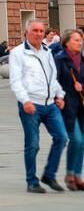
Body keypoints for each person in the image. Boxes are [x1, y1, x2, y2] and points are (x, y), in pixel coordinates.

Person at [10, 18, 68, 193]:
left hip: (50, 105)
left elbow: (52, 77)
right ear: (26, 32)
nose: (38, 34)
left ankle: (49, 175)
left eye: (41, 31)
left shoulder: (46, 51)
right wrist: (25, 100)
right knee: (33, 144)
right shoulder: (18, 53)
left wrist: (59, 95)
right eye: (34, 30)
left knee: (62, 137)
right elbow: (15, 81)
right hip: (31, 104)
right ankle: (32, 181)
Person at [53, 29, 84, 191]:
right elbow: (53, 81)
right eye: (76, 40)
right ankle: (70, 174)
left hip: (82, 106)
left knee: (83, 142)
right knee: (77, 139)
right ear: (66, 42)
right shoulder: (60, 60)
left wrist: (82, 86)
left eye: (80, 40)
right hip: (68, 107)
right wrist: (58, 98)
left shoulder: (83, 59)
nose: (79, 43)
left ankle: (78, 175)